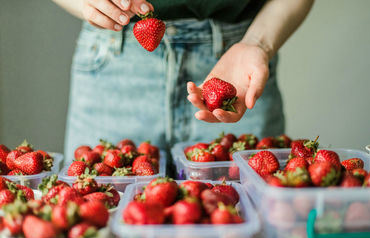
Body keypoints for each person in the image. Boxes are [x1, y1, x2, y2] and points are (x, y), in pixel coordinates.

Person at [53, 0, 314, 162]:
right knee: (101, 217)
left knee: (246, 229)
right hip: (114, 58)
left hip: (239, 60)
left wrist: (257, 44)